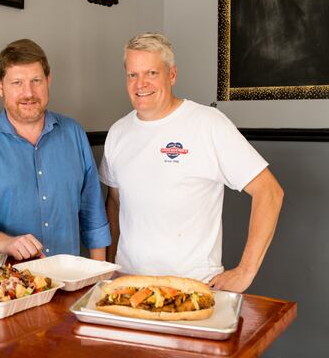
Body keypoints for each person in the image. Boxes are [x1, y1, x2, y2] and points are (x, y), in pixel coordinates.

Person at [99, 32, 284, 293]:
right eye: (132, 74)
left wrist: (245, 271)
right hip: (129, 287)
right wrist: (108, 269)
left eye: (151, 73)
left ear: (171, 75)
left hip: (194, 288)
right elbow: (115, 203)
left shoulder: (208, 124)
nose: (141, 84)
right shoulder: (118, 132)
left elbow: (270, 192)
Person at [0, 39, 111, 261]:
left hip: (69, 280)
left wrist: (97, 279)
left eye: (36, 81)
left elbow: (93, 214)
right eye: (17, 83)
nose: (28, 92)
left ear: (48, 81)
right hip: (5, 285)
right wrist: (6, 243)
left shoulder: (74, 134)